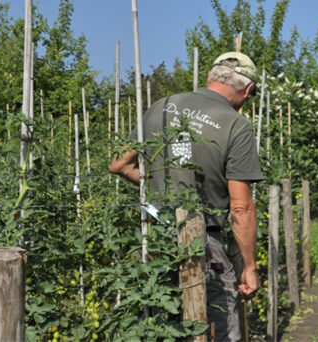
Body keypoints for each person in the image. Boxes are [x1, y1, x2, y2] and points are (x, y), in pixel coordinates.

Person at [109, 51, 262, 341]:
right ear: (248, 89)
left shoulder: (162, 106)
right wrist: (250, 268)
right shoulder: (236, 124)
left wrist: (156, 183)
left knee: (161, 324)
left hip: (154, 239)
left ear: (209, 77)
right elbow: (241, 208)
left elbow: (119, 164)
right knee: (218, 324)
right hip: (204, 244)